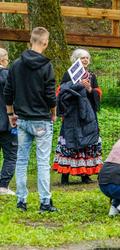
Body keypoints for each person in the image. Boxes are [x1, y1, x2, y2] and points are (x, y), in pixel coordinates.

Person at [4, 27, 57, 212]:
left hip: (22, 120)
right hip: (41, 119)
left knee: (21, 160)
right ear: (45, 42)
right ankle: (44, 202)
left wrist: (11, 115)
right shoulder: (46, 66)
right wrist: (54, 111)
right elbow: (51, 95)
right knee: (42, 162)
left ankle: (21, 201)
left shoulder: (16, 64)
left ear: (30, 41)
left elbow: (8, 92)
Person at [53, 48, 103, 185]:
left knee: (87, 143)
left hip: (87, 115)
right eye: (82, 58)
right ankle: (65, 176)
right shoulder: (69, 74)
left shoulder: (91, 76)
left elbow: (97, 94)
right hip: (72, 115)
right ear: (76, 60)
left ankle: (85, 175)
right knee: (70, 144)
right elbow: (61, 93)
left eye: (87, 58)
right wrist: (77, 86)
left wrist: (90, 90)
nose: (85, 60)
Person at [0, 48, 17, 196]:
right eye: (7, 58)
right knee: (11, 154)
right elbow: (13, 98)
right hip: (6, 121)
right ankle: (3, 186)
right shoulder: (8, 75)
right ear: (2, 59)